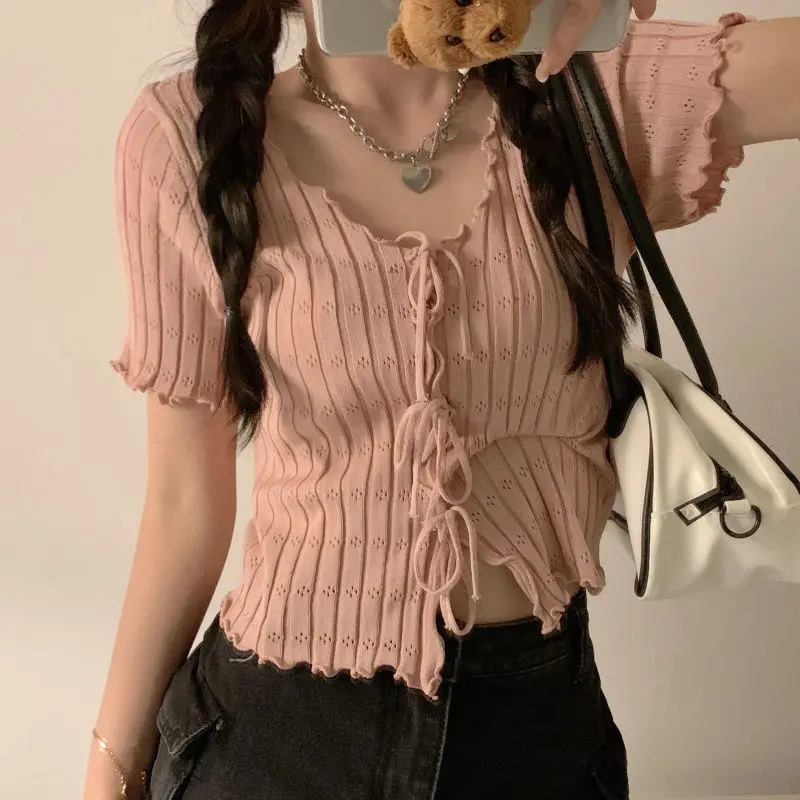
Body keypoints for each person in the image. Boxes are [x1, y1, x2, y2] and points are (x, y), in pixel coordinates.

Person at [83, 0, 799, 797]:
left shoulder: (594, 94)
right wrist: (112, 766)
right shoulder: (188, 137)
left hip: (541, 732)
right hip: (276, 732)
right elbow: (184, 503)